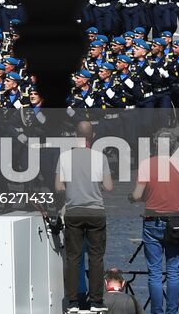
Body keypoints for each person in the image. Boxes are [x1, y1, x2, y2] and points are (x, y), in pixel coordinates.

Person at [129, 128, 179, 314]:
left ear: (154, 144)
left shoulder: (146, 165)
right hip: (175, 222)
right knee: (173, 270)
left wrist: (135, 196)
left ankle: (157, 311)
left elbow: (137, 195)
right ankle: (172, 311)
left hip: (152, 221)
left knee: (154, 272)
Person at [54, 119, 112, 312]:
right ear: (92, 136)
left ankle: (73, 302)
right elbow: (108, 187)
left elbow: (58, 187)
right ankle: (96, 301)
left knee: (73, 257)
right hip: (95, 211)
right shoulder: (100, 157)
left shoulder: (65, 157)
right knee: (96, 257)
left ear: (75, 136)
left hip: (73, 211)